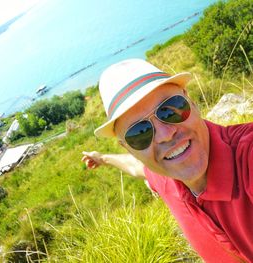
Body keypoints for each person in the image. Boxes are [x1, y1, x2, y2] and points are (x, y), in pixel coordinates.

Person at [82, 58, 253, 262]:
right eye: (140, 133)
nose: (165, 135)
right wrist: (102, 158)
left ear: (192, 102)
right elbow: (137, 167)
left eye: (171, 109)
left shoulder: (247, 155)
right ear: (129, 148)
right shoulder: (164, 178)